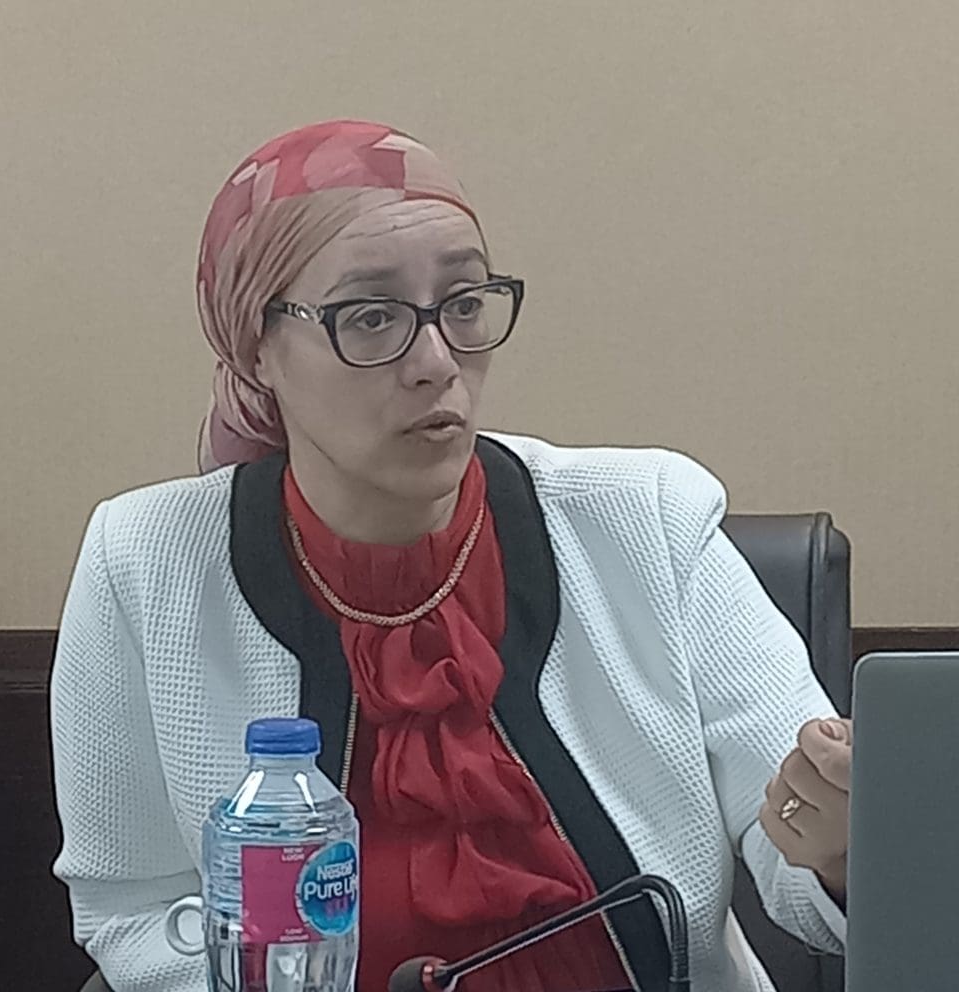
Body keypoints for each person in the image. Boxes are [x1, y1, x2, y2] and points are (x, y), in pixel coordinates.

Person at [51, 120, 850, 992]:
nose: (436, 363)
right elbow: (133, 910)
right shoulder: (145, 564)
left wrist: (842, 847)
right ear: (256, 348)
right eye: (371, 317)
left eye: (464, 305)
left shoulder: (648, 520)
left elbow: (798, 846)